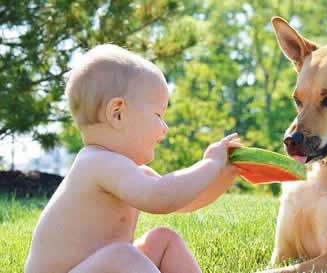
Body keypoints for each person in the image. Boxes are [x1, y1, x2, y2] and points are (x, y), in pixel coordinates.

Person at [24, 44, 241, 273]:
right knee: (122, 255)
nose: (165, 128)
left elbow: (185, 200)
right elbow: (163, 196)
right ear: (118, 113)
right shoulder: (97, 164)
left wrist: (224, 173)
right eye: (158, 115)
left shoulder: (127, 172)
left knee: (164, 240)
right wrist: (210, 163)